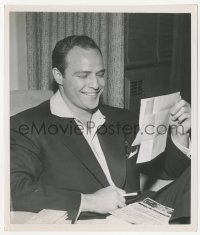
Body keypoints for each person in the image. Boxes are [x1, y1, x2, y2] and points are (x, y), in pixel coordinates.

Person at [10, 35, 191, 224]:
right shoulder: (25, 126)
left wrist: (180, 135)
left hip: (140, 210)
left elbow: (164, 170)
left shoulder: (122, 118)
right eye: (83, 75)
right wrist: (89, 201)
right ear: (58, 76)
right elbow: (12, 190)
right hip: (91, 222)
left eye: (100, 74)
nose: (96, 85)